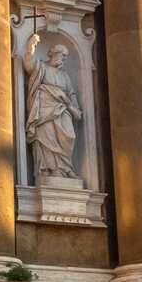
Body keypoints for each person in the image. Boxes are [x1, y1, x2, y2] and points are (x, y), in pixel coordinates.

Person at [22, 35, 82, 182]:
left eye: (66, 57)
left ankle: (65, 167)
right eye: (62, 55)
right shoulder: (42, 67)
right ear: (53, 54)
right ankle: (51, 169)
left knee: (69, 135)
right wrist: (31, 47)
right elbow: (29, 65)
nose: (64, 59)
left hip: (62, 109)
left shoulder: (64, 75)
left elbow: (71, 94)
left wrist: (74, 108)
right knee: (46, 138)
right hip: (44, 110)